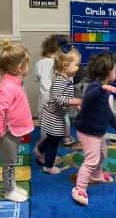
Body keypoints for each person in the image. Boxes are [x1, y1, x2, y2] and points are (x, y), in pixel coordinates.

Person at [71, 52, 116, 206]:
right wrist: (102, 88)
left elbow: (106, 109)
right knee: (91, 161)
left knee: (103, 154)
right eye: (114, 69)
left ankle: (96, 175)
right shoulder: (96, 87)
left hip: (98, 131)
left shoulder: (103, 89)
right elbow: (89, 97)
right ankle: (79, 188)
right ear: (107, 71)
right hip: (88, 132)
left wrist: (115, 123)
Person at [0, 40, 34, 202]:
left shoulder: (15, 82)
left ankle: (12, 186)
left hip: (13, 130)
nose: (29, 67)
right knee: (9, 162)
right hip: (6, 132)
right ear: (20, 67)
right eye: (27, 63)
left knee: (12, 161)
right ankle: (9, 190)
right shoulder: (7, 86)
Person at [35, 45, 82, 174]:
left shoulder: (66, 78)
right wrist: (74, 101)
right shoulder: (60, 80)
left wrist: (75, 103)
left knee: (51, 138)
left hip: (56, 114)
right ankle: (48, 166)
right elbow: (57, 98)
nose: (78, 67)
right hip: (52, 116)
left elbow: (66, 96)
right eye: (76, 65)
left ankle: (39, 149)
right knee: (54, 141)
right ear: (65, 65)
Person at [34, 34, 72, 150]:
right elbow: (68, 80)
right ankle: (67, 138)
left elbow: (38, 77)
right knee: (64, 117)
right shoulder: (62, 64)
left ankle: (44, 141)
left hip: (45, 97)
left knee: (45, 121)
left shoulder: (39, 63)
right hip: (59, 96)